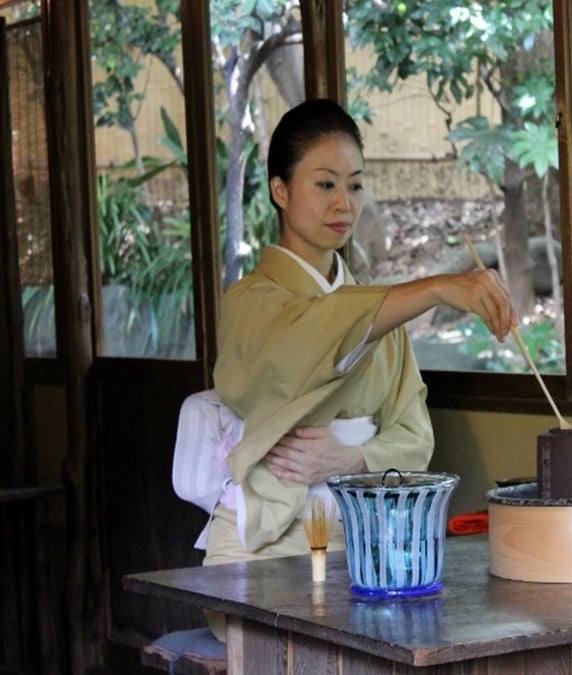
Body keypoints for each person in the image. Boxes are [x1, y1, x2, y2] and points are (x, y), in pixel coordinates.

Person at [202, 98, 516, 577]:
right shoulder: (251, 301)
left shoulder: (377, 312)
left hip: (362, 543)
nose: (343, 203)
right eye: (325, 184)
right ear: (280, 191)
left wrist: (351, 457)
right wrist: (433, 288)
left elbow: (415, 437)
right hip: (259, 542)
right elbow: (309, 336)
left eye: (355, 186)